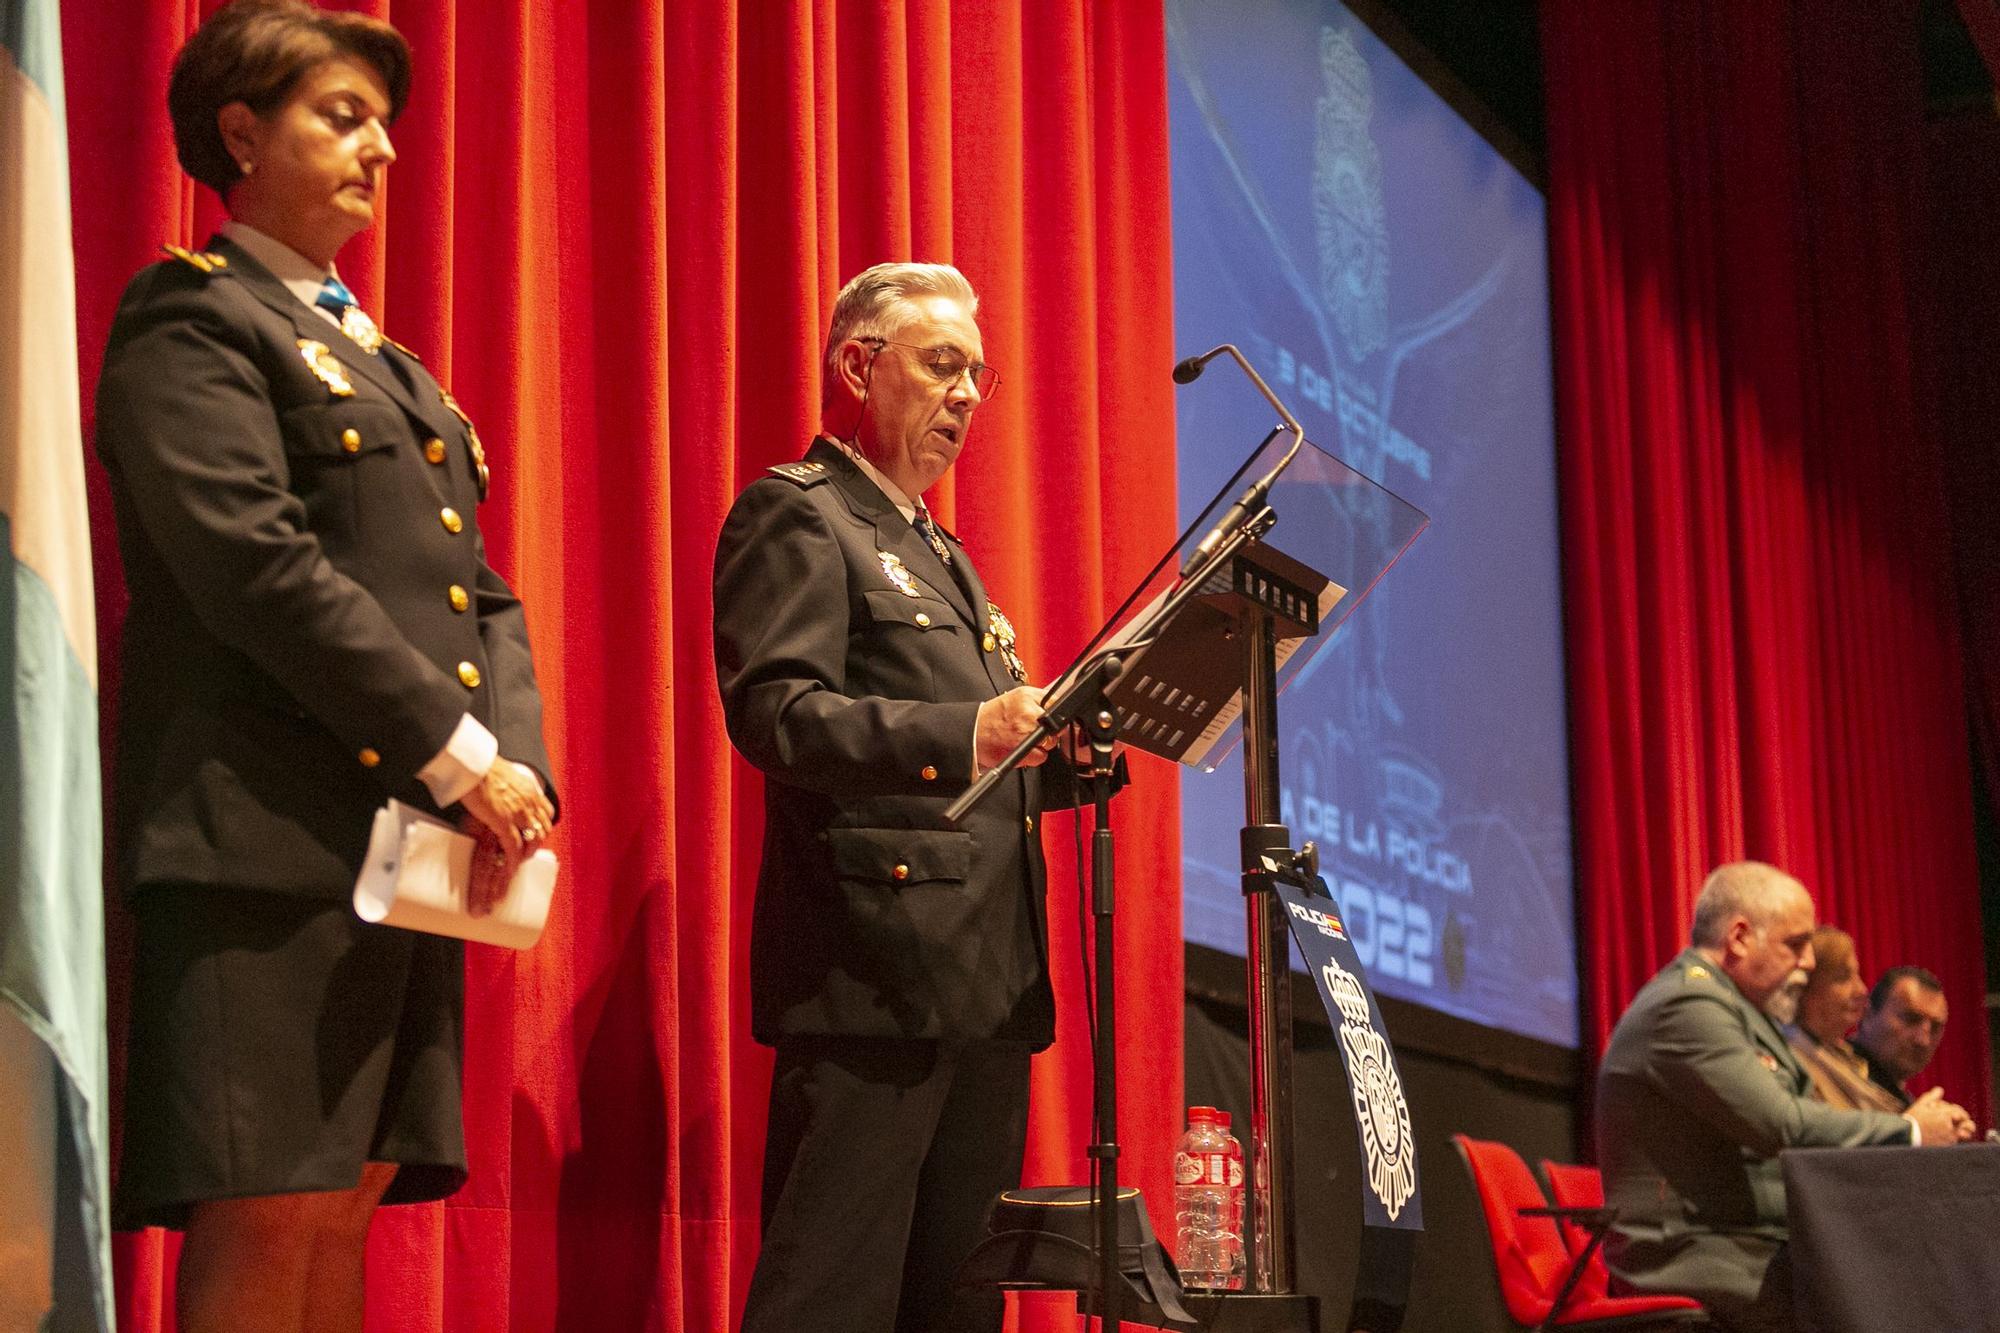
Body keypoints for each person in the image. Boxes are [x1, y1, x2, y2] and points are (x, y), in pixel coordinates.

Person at [95, 4, 556, 1330]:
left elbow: (484, 591)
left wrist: (515, 763)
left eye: (385, 127)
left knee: (346, 1201)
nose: (380, 153)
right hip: (265, 842)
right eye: (341, 117)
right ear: (242, 132)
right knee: (269, 1210)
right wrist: (460, 755)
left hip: (407, 842)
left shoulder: (397, 370)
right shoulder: (192, 317)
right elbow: (254, 564)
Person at [713, 262, 1095, 1333]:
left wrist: (1073, 748)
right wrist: (965, 729)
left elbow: (979, 763)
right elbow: (776, 716)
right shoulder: (801, 515)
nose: (968, 393)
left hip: (984, 979)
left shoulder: (940, 553)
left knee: (957, 1309)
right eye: (942, 366)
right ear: (856, 364)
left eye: (979, 374)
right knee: (827, 1298)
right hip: (872, 971)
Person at [1595, 862, 1969, 1333]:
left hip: (1748, 1245)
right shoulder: (1687, 1007)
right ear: (1738, 938)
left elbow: (1801, 1119)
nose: (1809, 962)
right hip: (1697, 1258)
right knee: (1894, 1300)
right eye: (1796, 944)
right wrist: (1911, 1130)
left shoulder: (1739, 1013)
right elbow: (1783, 1125)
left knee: (1916, 1278)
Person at [1783, 927, 1904, 1113]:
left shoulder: (1845, 1057)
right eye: (1844, 978)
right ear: (1805, 987)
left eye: (1858, 976)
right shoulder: (1792, 1064)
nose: (1862, 990)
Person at [1852, 964, 1950, 1106]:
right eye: (1911, 1019)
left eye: (1935, 1027)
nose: (1923, 1041)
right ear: (1867, 1015)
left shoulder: (1896, 1095)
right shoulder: (1834, 1076)